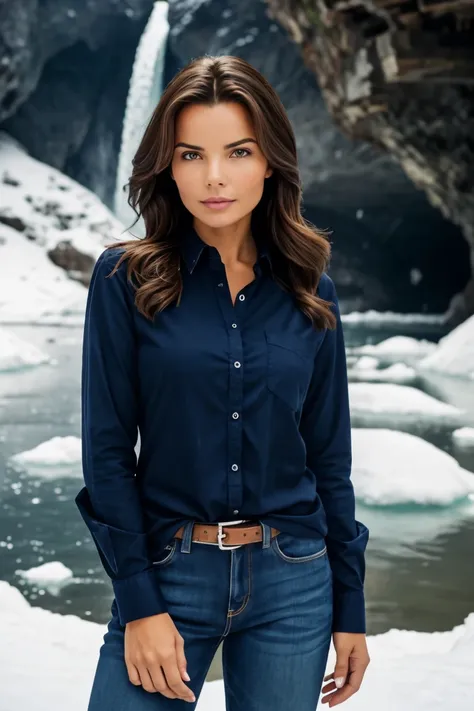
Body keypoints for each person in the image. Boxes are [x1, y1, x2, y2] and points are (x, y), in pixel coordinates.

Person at [75, 54, 370, 710]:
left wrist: (351, 605)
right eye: (190, 155)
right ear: (166, 166)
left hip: (295, 582)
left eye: (238, 151)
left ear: (270, 161)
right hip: (167, 572)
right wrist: (140, 604)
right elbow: (106, 455)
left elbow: (329, 460)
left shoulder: (309, 290)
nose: (213, 176)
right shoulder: (125, 280)